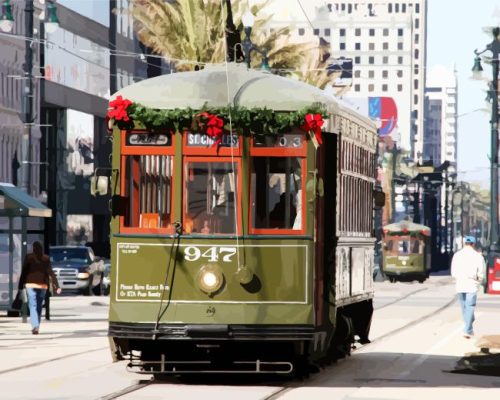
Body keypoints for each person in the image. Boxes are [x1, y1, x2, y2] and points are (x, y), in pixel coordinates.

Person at [18, 242, 61, 334]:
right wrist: (56, 285)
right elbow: (50, 273)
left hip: (30, 285)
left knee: (32, 305)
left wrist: (21, 284)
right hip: (42, 286)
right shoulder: (46, 258)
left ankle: (35, 326)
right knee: (39, 306)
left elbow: (24, 272)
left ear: (33, 248)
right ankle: (36, 325)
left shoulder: (29, 257)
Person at [450, 236, 485, 339]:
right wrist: (479, 281)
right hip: (472, 284)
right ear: (473, 244)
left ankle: (468, 327)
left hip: (460, 284)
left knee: (464, 307)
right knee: (470, 306)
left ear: (465, 243)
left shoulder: (457, 255)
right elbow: (481, 273)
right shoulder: (478, 256)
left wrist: (458, 278)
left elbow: (453, 272)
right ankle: (468, 330)